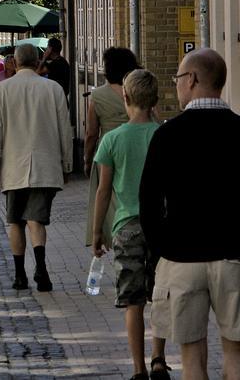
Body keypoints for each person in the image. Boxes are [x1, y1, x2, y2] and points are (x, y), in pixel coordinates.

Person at [140, 48, 240, 380]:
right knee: (236, 353)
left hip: (181, 258)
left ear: (193, 80)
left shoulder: (167, 136)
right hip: (233, 257)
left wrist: (161, 249)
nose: (177, 86)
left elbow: (149, 203)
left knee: (191, 355)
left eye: (179, 79)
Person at [92, 69, 170, 380]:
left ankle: (138, 368)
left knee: (133, 301)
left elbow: (103, 190)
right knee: (160, 296)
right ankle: (159, 359)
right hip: (162, 226)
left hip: (126, 226)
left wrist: (98, 231)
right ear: (155, 100)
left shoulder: (112, 140)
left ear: (125, 98)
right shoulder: (164, 135)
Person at [0, 43, 71, 292]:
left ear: (15, 62)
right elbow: (65, 129)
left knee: (15, 222)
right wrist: (66, 163)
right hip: (45, 164)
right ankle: (41, 269)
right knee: (37, 220)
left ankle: (20, 274)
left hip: (13, 165)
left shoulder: (1, 90)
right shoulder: (53, 89)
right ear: (37, 61)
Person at [84, 47, 140, 249]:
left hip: (107, 151)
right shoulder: (138, 91)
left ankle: (113, 236)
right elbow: (155, 118)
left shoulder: (98, 95)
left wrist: (87, 158)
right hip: (135, 147)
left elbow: (91, 133)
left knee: (107, 195)